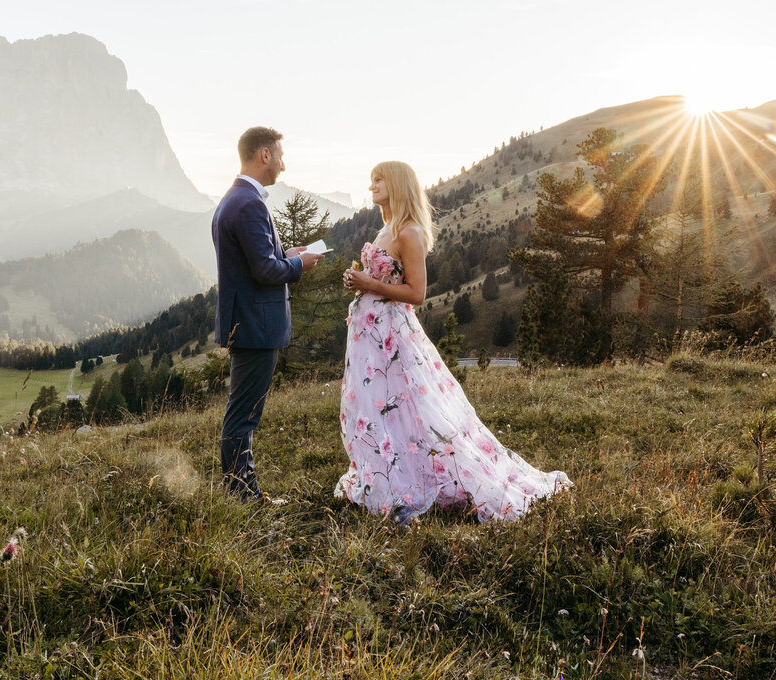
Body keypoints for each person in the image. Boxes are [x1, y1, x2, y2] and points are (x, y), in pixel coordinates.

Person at [337, 161, 570, 523]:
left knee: (408, 404)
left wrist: (369, 284)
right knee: (378, 406)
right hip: (369, 335)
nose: (372, 186)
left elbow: (416, 293)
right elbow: (381, 277)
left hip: (393, 335)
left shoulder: (410, 232)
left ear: (398, 184)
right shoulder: (386, 228)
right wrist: (358, 280)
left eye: (379, 180)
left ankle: (419, 479)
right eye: (371, 180)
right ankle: (383, 476)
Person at [212, 126, 322, 502]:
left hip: (246, 322)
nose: (283, 165)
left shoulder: (236, 198)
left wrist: (287, 253)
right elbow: (265, 272)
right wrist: (300, 264)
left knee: (242, 410)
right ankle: (242, 495)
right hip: (255, 326)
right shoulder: (248, 203)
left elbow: (256, 261)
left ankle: (240, 491)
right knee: (244, 414)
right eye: (280, 156)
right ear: (264, 155)